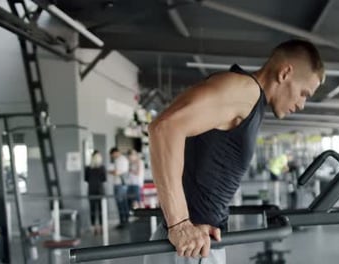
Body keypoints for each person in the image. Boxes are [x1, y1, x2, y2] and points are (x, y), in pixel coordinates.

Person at [146, 39, 324, 264]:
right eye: (304, 93)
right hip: (188, 248)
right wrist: (179, 224)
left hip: (198, 243)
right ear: (285, 73)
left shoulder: (251, 101)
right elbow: (163, 128)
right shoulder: (245, 91)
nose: (302, 104)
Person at [84, 150, 106, 235]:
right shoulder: (102, 167)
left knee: (92, 209)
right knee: (101, 209)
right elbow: (104, 179)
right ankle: (101, 227)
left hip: (91, 190)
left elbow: (86, 179)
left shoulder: (88, 168)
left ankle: (93, 228)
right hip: (100, 190)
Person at [108, 147, 130, 229]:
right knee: (123, 203)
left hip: (119, 184)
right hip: (121, 184)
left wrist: (109, 171)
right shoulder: (123, 159)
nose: (112, 156)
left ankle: (123, 222)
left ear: (115, 152)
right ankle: (125, 221)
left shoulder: (120, 160)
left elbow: (116, 172)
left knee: (121, 204)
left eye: (112, 155)